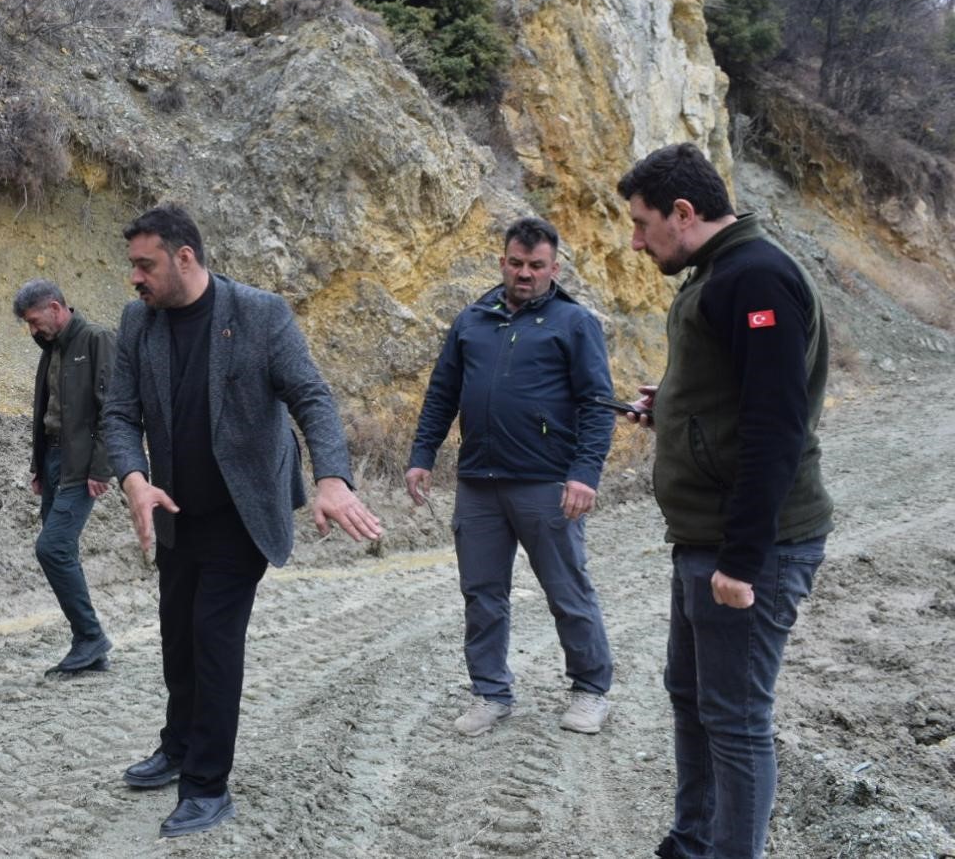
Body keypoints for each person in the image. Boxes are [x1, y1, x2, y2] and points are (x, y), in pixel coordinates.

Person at [102, 204, 384, 839]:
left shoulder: (260, 315)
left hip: (242, 509)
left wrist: (332, 479)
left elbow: (311, 397)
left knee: (213, 639)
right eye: (133, 266)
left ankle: (207, 785)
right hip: (174, 510)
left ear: (184, 257)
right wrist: (134, 479)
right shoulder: (138, 321)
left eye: (145, 265)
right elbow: (119, 413)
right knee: (177, 636)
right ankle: (178, 746)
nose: (135, 278)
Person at [616, 143, 833, 859]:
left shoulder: (754, 277)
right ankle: (693, 843)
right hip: (706, 536)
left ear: (683, 212)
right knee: (691, 696)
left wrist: (741, 561)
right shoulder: (721, 271)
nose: (636, 241)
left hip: (749, 547)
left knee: (736, 720)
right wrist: (675, 402)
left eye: (643, 223)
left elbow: (776, 425)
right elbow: (737, 391)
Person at [404, 217, 618, 738]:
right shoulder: (472, 320)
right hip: (478, 482)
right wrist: (422, 455)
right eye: (516, 263)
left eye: (536, 266)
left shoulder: (574, 323)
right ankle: (491, 693)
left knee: (567, 591)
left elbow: (597, 404)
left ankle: (590, 690)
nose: (525, 274)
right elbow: (442, 393)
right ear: (502, 262)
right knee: (482, 594)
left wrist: (584, 474)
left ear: (554, 268)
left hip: (547, 483)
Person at [12, 279, 116, 674]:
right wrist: (39, 466)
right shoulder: (52, 347)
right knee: (62, 551)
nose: (32, 329)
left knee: (52, 548)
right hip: (54, 461)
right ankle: (90, 646)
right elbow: (46, 412)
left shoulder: (96, 339)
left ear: (55, 308)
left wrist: (101, 468)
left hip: (81, 465)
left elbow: (113, 409)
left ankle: (90, 638)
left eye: (35, 320)